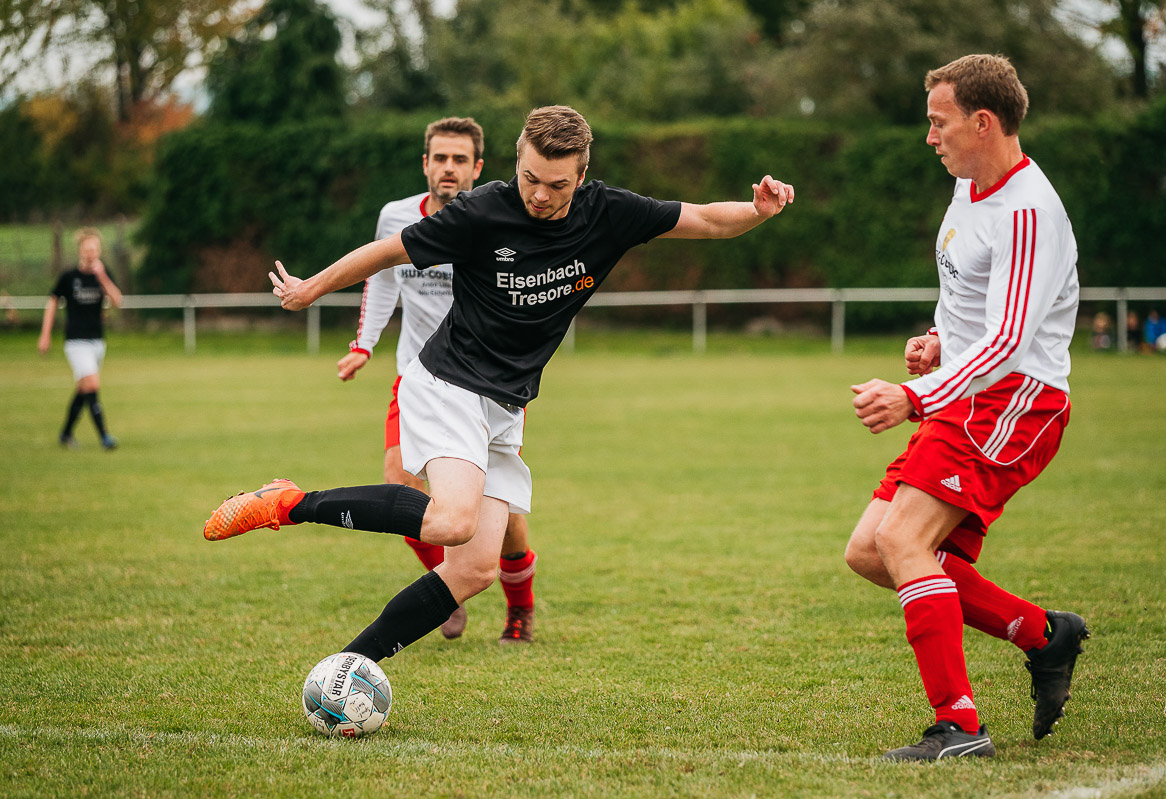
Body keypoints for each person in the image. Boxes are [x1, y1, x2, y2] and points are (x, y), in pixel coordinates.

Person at [204, 105, 793, 666]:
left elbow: (709, 220)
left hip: (505, 405)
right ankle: (288, 503)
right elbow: (387, 252)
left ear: (582, 176)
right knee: (452, 521)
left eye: (557, 185)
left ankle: (349, 666)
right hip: (446, 381)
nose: (539, 195)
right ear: (516, 161)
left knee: (473, 570)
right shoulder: (481, 211)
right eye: (531, 178)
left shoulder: (610, 212)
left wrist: (759, 212)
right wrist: (311, 289)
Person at [843, 55, 1090, 761]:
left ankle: (959, 724)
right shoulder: (969, 187)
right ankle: (1043, 633)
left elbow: (1012, 341)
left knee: (904, 541)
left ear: (983, 123)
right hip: (970, 393)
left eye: (938, 122)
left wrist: (913, 393)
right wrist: (936, 341)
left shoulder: (1028, 210)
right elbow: (970, 307)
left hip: (1018, 401)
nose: (930, 137)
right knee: (870, 550)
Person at [336, 116, 539, 643]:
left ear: (478, 168)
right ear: (426, 163)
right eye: (439, 158)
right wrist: (364, 344)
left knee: (506, 522)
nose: (448, 169)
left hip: (489, 385)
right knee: (397, 483)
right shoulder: (396, 217)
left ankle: (520, 608)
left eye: (459, 160)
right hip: (418, 377)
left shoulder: (501, 220)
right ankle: (446, 585)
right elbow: (382, 278)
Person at [38, 227, 123, 450]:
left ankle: (66, 434)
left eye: (94, 249)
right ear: (80, 250)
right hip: (76, 341)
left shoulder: (103, 275)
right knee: (93, 384)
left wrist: (102, 276)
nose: (90, 252)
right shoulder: (69, 277)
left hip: (97, 341)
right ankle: (105, 437)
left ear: (99, 251)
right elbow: (52, 301)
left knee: (84, 389)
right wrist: (45, 335)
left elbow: (117, 301)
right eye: (86, 249)